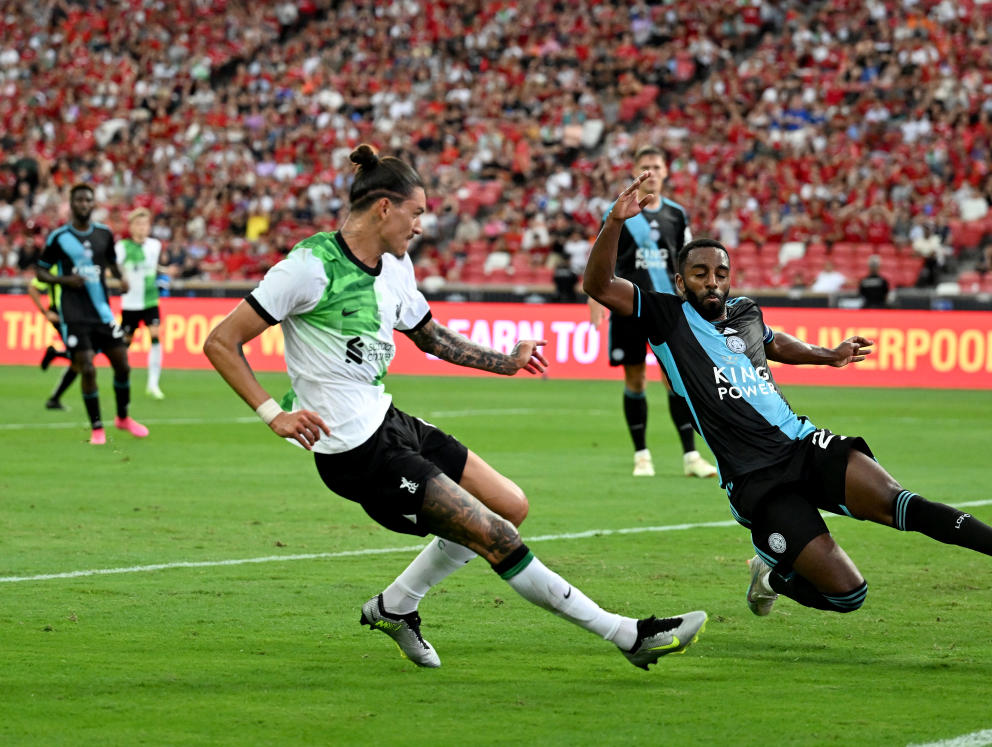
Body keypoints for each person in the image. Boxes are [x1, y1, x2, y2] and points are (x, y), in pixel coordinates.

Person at [203, 145, 704, 670]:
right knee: (494, 535)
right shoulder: (309, 267)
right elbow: (221, 341)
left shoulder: (395, 266)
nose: (420, 225)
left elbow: (431, 337)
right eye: (415, 212)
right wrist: (272, 414)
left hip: (390, 422)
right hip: (355, 453)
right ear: (384, 209)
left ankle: (395, 606)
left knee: (511, 506)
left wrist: (506, 362)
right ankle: (627, 635)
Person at [583, 173, 992, 621]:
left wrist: (828, 355)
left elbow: (775, 342)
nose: (713, 282)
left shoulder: (745, 311)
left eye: (721, 273)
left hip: (803, 443)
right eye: (700, 274)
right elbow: (598, 286)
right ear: (681, 283)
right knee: (849, 595)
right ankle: (770, 577)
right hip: (755, 479)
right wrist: (614, 222)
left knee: (897, 501)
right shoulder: (665, 316)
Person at [588, 145, 716, 479]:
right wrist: (595, 298)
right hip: (628, 305)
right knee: (635, 378)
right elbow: (603, 255)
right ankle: (642, 456)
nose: (652, 172)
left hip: (669, 310)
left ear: (666, 172)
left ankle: (691, 456)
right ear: (636, 171)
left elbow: (687, 259)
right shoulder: (618, 211)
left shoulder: (676, 214)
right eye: (646, 166)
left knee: (677, 381)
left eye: (657, 166)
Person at [35, 183, 148, 444]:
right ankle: (97, 428)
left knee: (123, 364)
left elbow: (110, 261)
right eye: (79, 200)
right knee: (86, 367)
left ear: (93, 204)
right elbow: (40, 271)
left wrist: (122, 278)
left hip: (102, 312)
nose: (84, 204)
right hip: (74, 313)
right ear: (71, 204)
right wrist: (64, 280)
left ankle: (122, 418)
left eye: (88, 200)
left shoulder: (104, 234)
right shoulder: (59, 237)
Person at [116, 207, 168, 399]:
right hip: (130, 302)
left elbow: (154, 267)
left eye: (145, 224)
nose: (142, 227)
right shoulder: (122, 247)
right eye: (138, 224)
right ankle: (120, 376)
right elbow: (115, 269)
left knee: (155, 335)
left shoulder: (155, 245)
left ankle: (153, 383)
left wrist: (166, 270)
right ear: (131, 227)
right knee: (125, 344)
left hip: (150, 299)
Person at [27, 275, 78, 410]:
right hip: (61, 315)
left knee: (82, 357)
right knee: (82, 357)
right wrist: (45, 312)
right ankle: (54, 400)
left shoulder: (79, 262)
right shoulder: (55, 265)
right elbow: (33, 287)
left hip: (79, 315)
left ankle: (55, 353)